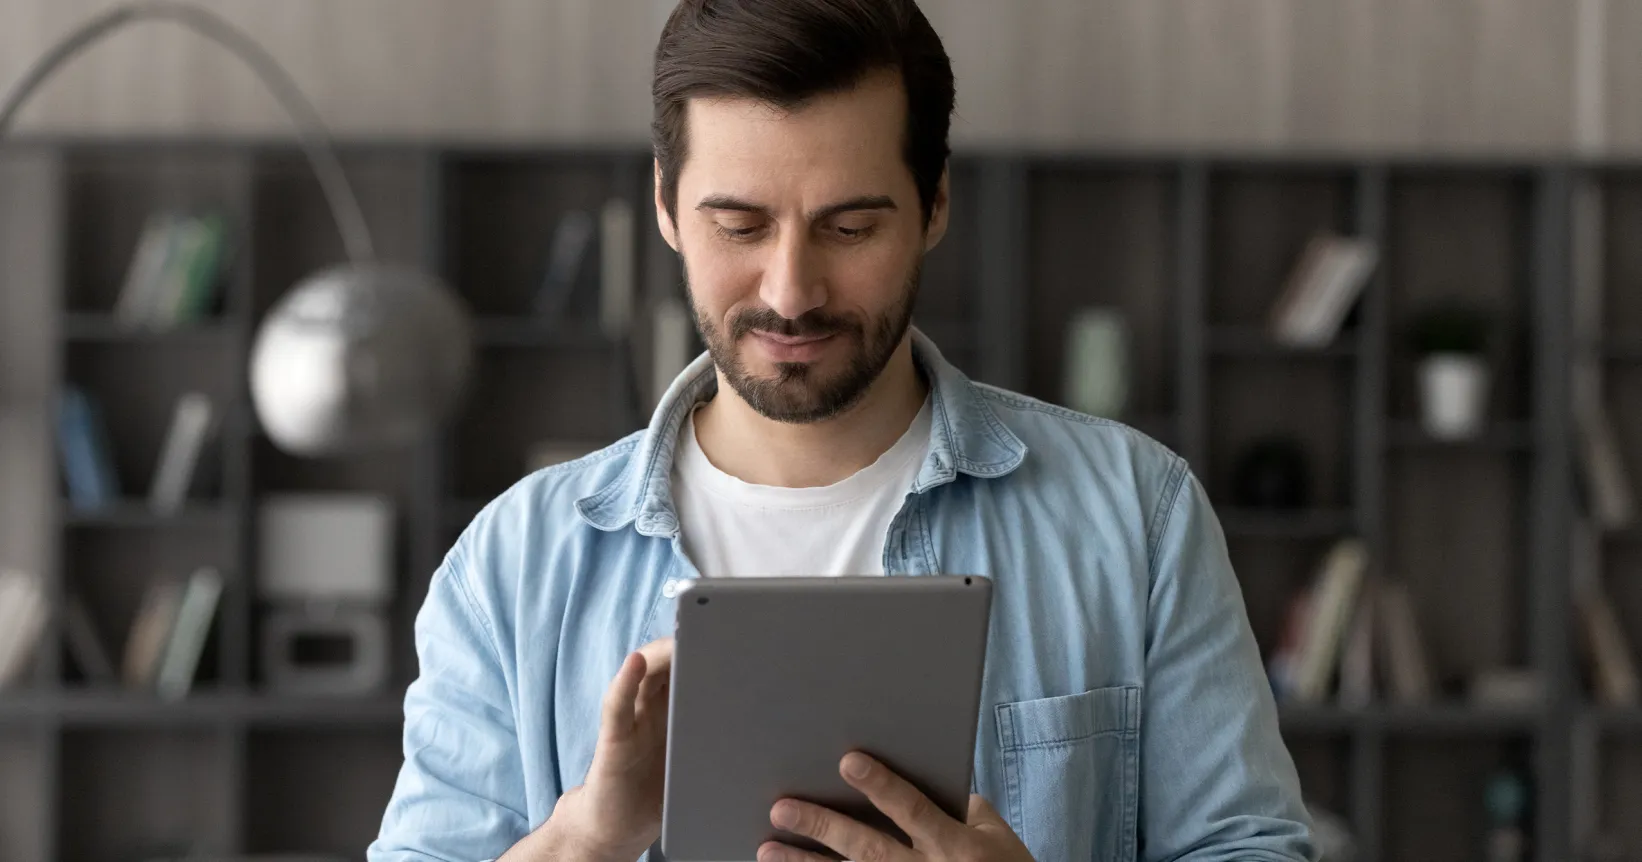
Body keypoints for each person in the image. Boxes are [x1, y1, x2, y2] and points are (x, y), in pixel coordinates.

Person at [369, 1, 1316, 860]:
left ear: (934, 203)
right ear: (665, 206)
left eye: (850, 228)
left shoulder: (1133, 517)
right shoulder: (514, 563)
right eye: (738, 226)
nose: (791, 292)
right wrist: (590, 836)